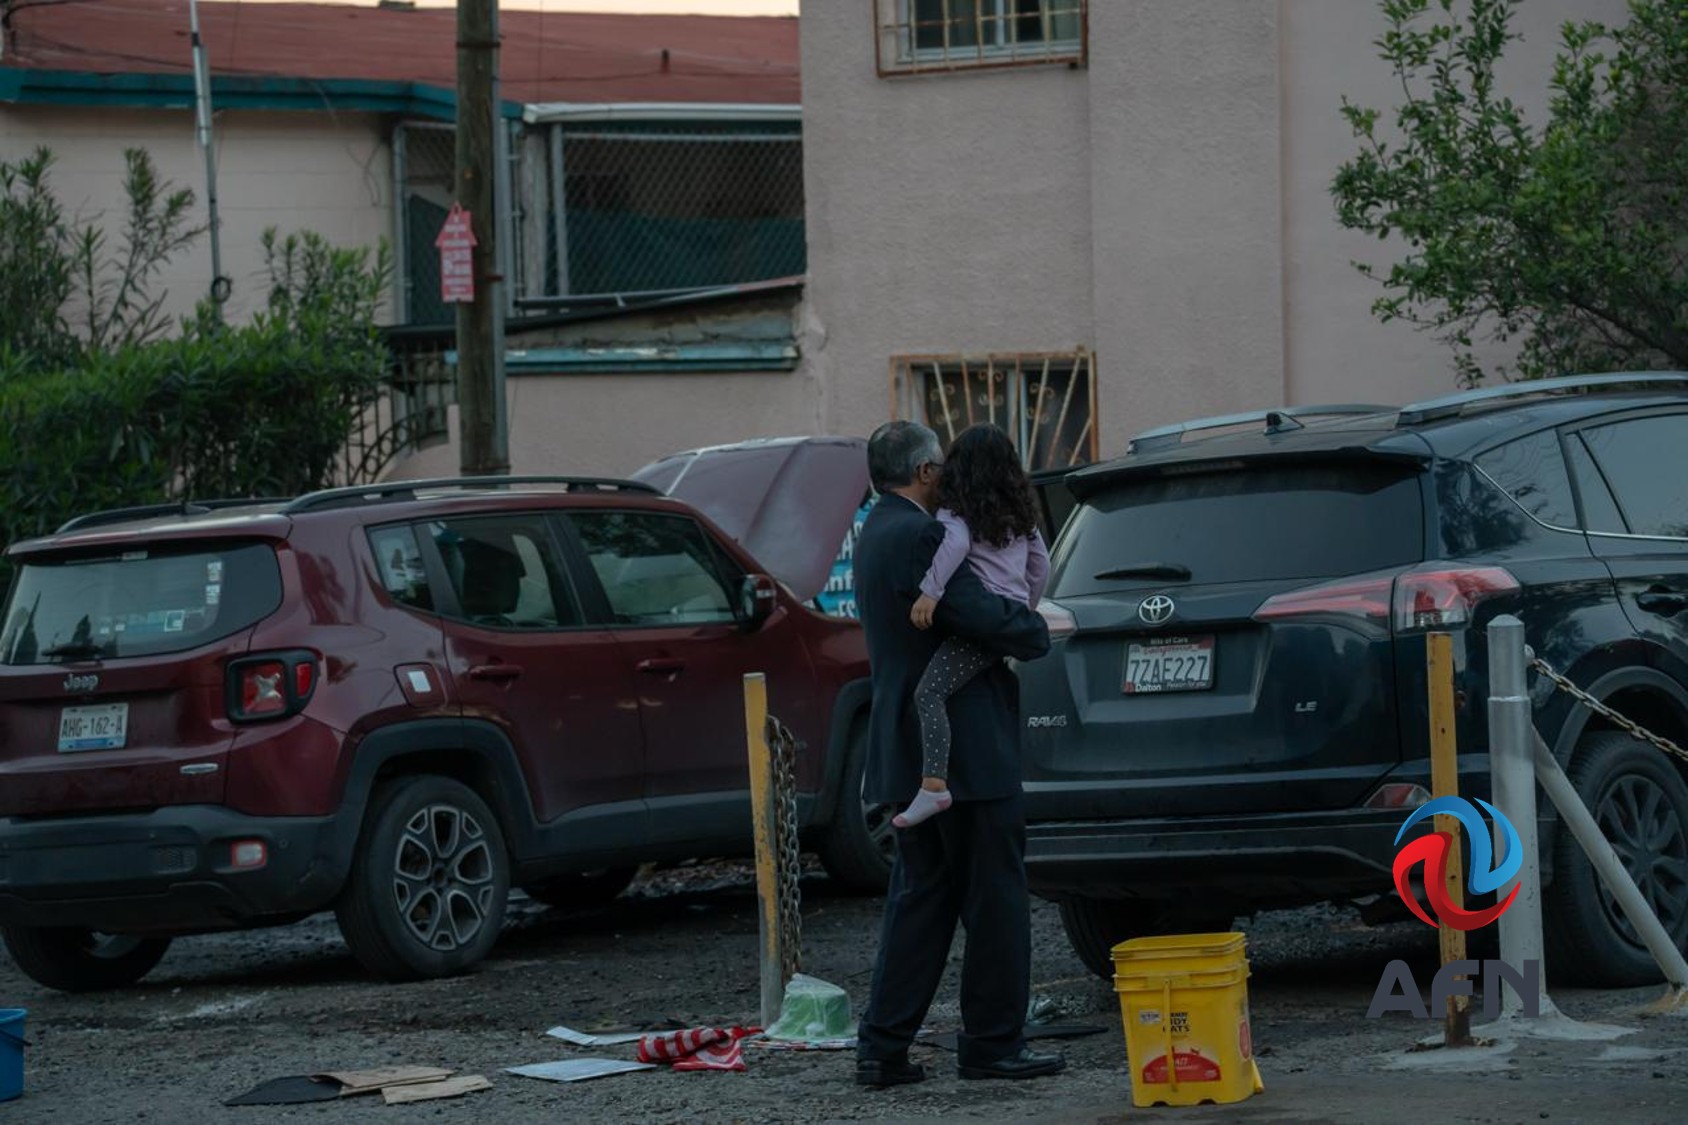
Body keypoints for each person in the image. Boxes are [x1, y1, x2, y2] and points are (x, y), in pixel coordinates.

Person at [853, 420, 1065, 1088]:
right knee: (996, 898)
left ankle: (882, 1048)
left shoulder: (872, 532)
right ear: (922, 470)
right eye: (939, 465)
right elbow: (982, 615)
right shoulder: (924, 535)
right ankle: (994, 1044)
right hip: (965, 753)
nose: (946, 475)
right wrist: (1038, 628)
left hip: (908, 748)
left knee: (921, 901)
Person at [895, 425, 1050, 828]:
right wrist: (1023, 608)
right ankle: (938, 785)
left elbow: (957, 545)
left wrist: (930, 591)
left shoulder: (956, 509)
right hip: (1007, 615)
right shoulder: (1019, 510)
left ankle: (933, 786)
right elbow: (1041, 564)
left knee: (929, 693)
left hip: (982, 625)